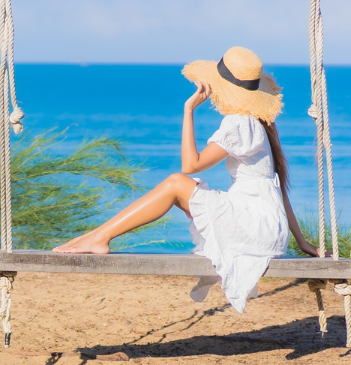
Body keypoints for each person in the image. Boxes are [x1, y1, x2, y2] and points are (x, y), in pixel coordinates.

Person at [53, 46, 319, 312]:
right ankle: (97, 236)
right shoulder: (258, 123)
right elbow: (278, 191)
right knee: (178, 187)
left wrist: (188, 110)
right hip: (266, 228)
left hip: (255, 228)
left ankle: (99, 238)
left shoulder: (240, 123)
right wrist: (301, 242)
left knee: (176, 183)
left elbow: (191, 165)